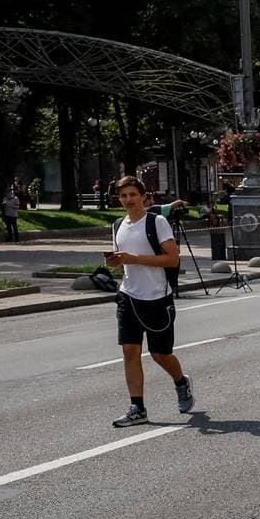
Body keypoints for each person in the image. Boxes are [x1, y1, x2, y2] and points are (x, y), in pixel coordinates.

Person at [104, 175, 195, 428]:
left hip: (157, 296)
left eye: (133, 195)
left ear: (143, 196)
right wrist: (117, 261)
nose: (128, 200)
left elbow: (172, 259)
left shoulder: (157, 222)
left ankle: (180, 382)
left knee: (159, 354)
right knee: (129, 351)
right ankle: (137, 408)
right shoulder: (117, 225)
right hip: (128, 295)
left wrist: (135, 258)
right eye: (123, 196)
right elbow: (126, 260)